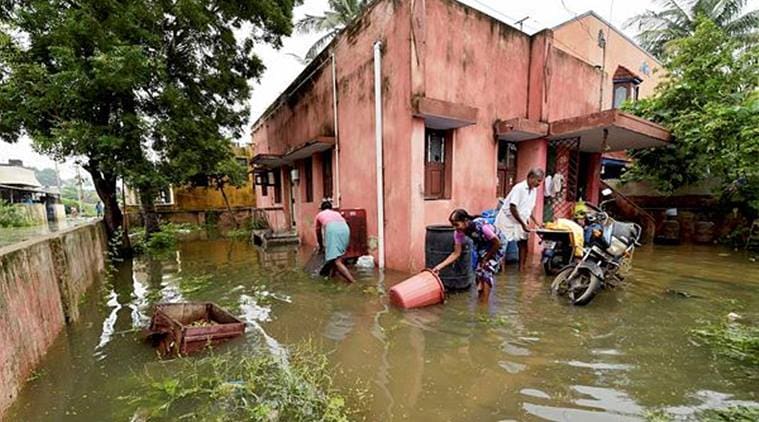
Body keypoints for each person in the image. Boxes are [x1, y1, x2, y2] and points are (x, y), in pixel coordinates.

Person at [432, 209, 507, 303]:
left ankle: (484, 304)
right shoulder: (458, 233)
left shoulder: (481, 226)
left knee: (486, 270)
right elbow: (456, 253)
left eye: (457, 224)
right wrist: (438, 267)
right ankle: (480, 298)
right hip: (483, 245)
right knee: (478, 273)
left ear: (465, 221)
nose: (455, 228)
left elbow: (496, 243)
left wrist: (486, 258)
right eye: (453, 225)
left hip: (497, 245)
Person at [495, 168, 545, 271]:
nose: (539, 183)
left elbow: (528, 209)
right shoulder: (519, 188)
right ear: (531, 178)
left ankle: (521, 268)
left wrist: (537, 222)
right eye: (538, 180)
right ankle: (502, 269)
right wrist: (523, 224)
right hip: (507, 219)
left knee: (523, 242)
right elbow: (513, 207)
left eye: (541, 181)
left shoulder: (534, 190)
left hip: (520, 219)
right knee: (503, 243)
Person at [315, 199, 356, 283]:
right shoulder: (337, 213)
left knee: (337, 260)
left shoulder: (319, 215)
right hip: (345, 229)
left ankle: (352, 282)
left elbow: (318, 232)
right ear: (331, 208)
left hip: (332, 229)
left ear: (322, 209)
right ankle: (333, 278)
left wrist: (321, 246)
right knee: (336, 257)